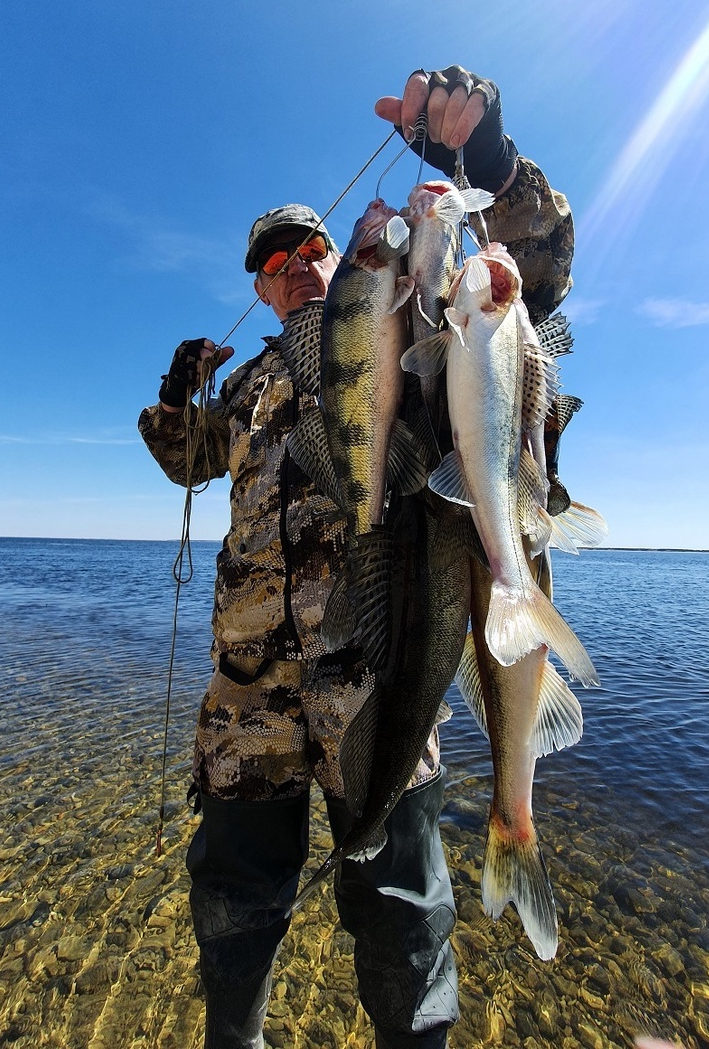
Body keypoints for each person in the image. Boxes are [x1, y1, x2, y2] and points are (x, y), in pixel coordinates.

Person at [139, 67, 575, 1049]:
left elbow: (530, 284)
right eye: (270, 259)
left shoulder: (417, 319)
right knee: (234, 915)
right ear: (256, 283)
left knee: (402, 917)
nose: (292, 262)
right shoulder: (249, 380)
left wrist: (486, 157)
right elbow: (181, 459)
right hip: (244, 697)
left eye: (309, 246)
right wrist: (178, 388)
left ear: (342, 256)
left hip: (378, 673)